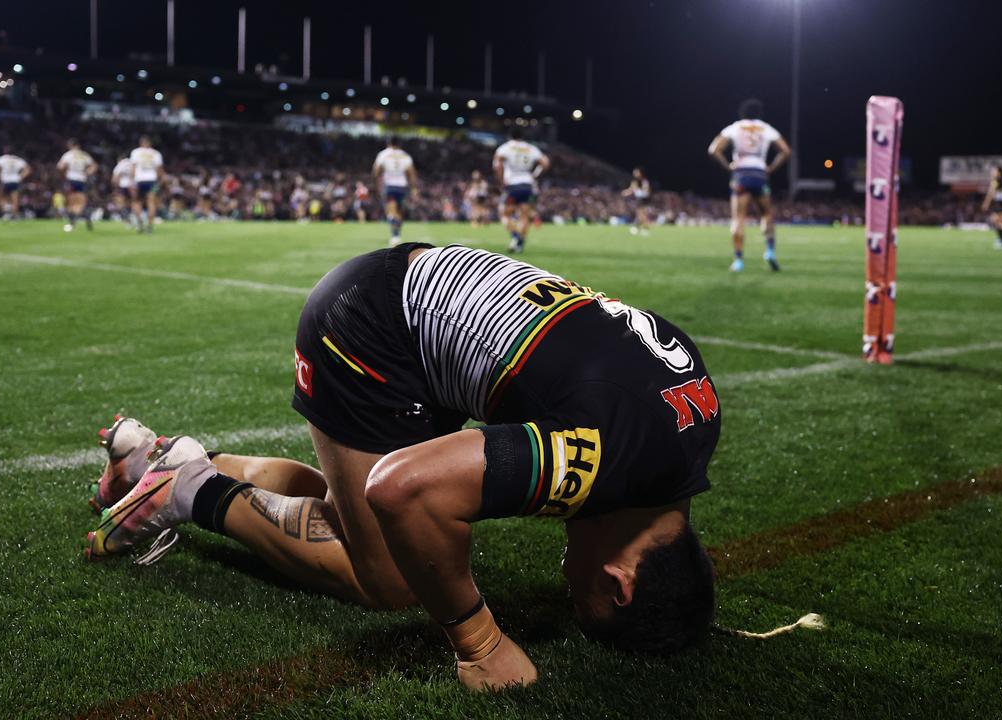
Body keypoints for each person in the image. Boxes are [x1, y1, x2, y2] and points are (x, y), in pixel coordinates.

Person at [84, 243, 721, 692]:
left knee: (352, 518)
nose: (564, 573)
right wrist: (479, 643)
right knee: (390, 578)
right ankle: (189, 490)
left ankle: (167, 460)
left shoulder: (695, 428)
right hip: (372, 327)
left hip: (425, 294)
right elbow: (403, 490)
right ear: (620, 583)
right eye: (580, 592)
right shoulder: (607, 454)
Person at [707, 99, 791, 272]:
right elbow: (786, 151)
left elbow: (714, 149)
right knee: (766, 214)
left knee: (738, 218)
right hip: (759, 173)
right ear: (759, 113)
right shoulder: (766, 128)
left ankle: (738, 261)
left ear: (742, 113)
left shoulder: (735, 127)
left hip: (741, 173)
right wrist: (771, 168)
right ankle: (770, 251)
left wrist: (729, 166)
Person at [493, 129, 550, 253]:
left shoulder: (505, 148)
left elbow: (498, 165)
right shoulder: (531, 148)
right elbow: (545, 163)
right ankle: (519, 244)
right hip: (528, 185)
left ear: (509, 136)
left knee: (505, 214)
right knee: (525, 216)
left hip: (512, 185)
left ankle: (516, 237)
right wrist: (535, 175)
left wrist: (501, 180)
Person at [372, 137, 417, 245]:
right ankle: (397, 234)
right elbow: (411, 173)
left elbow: (376, 171)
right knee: (399, 211)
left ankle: (395, 236)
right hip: (402, 187)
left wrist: (376, 185)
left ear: (388, 143)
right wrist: (414, 188)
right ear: (399, 144)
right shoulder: (405, 155)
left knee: (391, 212)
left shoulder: (383, 154)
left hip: (390, 186)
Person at [56, 139, 97, 232]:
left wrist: (65, 173)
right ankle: (85, 217)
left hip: (71, 179)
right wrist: (87, 172)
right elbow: (94, 166)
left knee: (72, 202)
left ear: (70, 146)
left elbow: (60, 166)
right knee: (81, 201)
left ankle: (72, 221)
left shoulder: (68, 155)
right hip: (82, 179)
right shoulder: (84, 155)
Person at [129, 136, 166, 233]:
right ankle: (150, 226)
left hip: (139, 181)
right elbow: (159, 170)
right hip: (152, 181)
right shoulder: (156, 154)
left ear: (141, 143)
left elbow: (133, 168)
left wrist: (131, 181)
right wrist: (160, 181)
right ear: (150, 143)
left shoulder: (136, 152)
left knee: (137, 201)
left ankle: (140, 223)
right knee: (151, 202)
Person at [0, 147, 30, 220]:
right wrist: (20, 177)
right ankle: (15, 215)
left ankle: (6, 211)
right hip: (15, 181)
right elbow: (28, 170)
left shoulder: (2, 159)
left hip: (5, 181)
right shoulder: (18, 159)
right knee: (15, 199)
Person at [982, 164, 1002, 249]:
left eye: (994, 171)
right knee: (997, 221)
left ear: (998, 172)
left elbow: (990, 193)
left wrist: (986, 203)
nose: (992, 172)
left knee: (995, 220)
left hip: (1000, 203)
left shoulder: (996, 181)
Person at [621, 168, 652, 236]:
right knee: (639, 215)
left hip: (644, 199)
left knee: (642, 215)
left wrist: (638, 191)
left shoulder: (644, 181)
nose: (635, 174)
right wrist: (626, 192)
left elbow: (646, 191)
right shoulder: (634, 181)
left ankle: (644, 229)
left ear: (640, 173)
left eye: (636, 172)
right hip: (639, 200)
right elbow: (631, 189)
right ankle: (640, 228)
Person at [111, 155, 136, 226]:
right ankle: (134, 217)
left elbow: (115, 176)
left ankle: (127, 218)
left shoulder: (120, 164)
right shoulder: (132, 163)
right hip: (133, 185)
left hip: (122, 186)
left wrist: (115, 187)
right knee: (133, 202)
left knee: (121, 203)